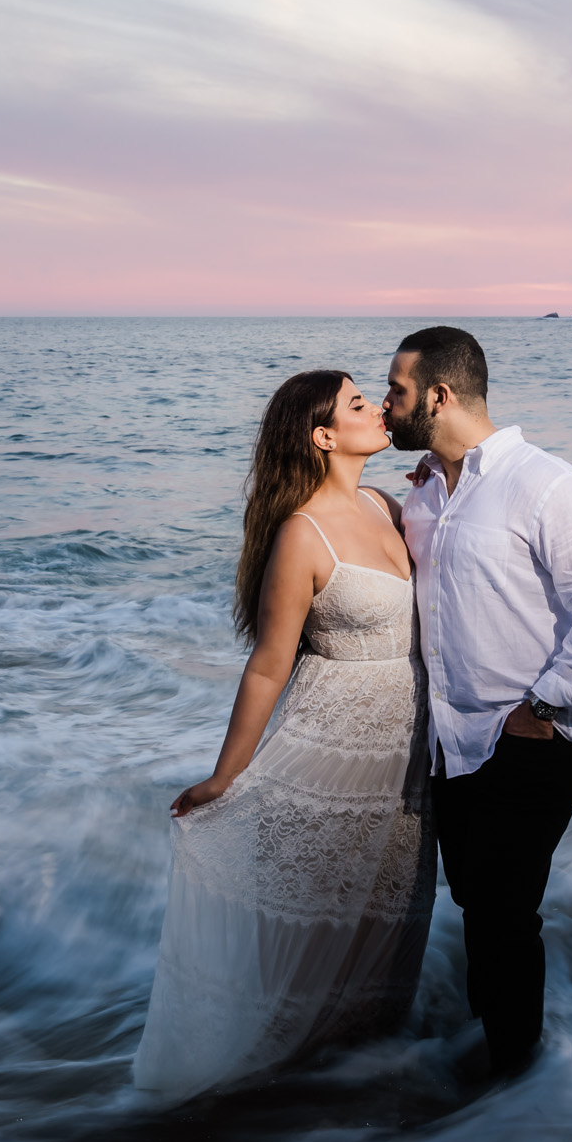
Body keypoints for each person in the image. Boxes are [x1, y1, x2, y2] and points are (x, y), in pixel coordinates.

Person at [132, 370, 434, 1102]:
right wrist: (223, 777)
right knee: (326, 926)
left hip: (407, 755)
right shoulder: (302, 532)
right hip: (332, 750)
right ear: (324, 435)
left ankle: (369, 1080)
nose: (377, 409)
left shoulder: (389, 503)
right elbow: (269, 666)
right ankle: (290, 1090)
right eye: (358, 404)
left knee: (390, 921)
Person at [382, 326, 572, 1076]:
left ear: (440, 394)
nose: (389, 403)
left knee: (503, 912)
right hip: (450, 747)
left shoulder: (548, 484)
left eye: (397, 390)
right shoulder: (423, 494)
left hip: (529, 737)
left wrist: (544, 711)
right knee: (480, 907)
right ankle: (493, 1063)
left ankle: (514, 1078)